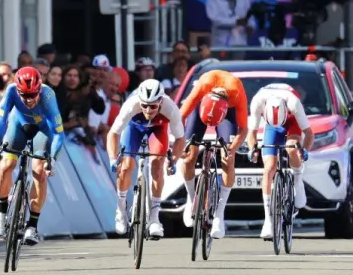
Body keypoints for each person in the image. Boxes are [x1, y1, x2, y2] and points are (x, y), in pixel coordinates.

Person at [0, 66, 64, 246]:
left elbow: (59, 133)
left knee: (39, 171)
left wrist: (52, 159)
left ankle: (32, 225)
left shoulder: (48, 96)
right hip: (18, 125)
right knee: (6, 165)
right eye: (24, 96)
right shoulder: (11, 91)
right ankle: (1, 212)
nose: (29, 100)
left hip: (42, 130)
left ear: (39, 90)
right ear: (18, 90)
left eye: (33, 95)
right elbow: (1, 120)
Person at [106, 79, 185, 239]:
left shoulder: (170, 108)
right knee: (126, 166)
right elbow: (113, 134)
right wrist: (113, 159)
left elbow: (180, 138)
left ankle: (155, 219)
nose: (148, 110)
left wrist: (174, 160)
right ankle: (121, 211)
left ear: (160, 101)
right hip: (133, 128)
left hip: (158, 129)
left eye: (153, 106)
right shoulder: (131, 105)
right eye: (145, 106)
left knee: (157, 164)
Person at [178, 69, 249, 239]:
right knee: (189, 156)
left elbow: (244, 129)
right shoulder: (202, 86)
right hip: (200, 104)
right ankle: (192, 199)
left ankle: (219, 214)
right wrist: (179, 143)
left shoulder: (236, 94)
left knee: (227, 159)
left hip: (227, 112)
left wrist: (232, 148)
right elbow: (179, 117)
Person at [246, 83, 313, 239]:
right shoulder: (258, 101)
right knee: (269, 167)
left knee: (291, 148)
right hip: (271, 126)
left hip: (292, 122)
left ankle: (297, 181)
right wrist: (252, 149)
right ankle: (268, 220)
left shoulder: (294, 103)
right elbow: (252, 133)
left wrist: (305, 150)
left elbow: (309, 134)